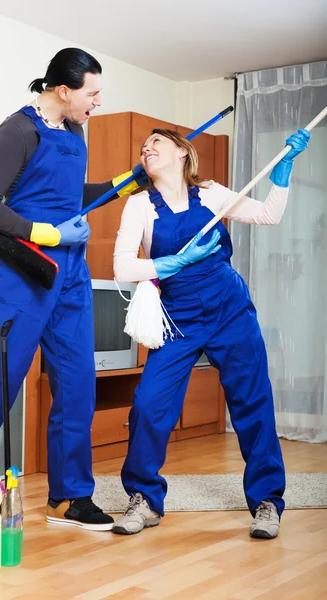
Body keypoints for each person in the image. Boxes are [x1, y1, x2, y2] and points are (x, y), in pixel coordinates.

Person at [0, 48, 146, 531]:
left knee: (76, 383)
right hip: (24, 272)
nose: (97, 102)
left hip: (70, 276)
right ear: (63, 90)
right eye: (91, 93)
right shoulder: (18, 131)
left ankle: (70, 497)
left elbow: (70, 198)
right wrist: (47, 234)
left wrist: (120, 184)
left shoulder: (74, 132)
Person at [112, 127, 310, 538]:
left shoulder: (213, 193)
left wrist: (284, 172)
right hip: (177, 317)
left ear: (182, 153)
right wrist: (169, 265)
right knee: (149, 405)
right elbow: (123, 268)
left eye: (157, 143)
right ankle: (144, 499)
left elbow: (268, 215)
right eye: (144, 147)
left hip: (229, 310)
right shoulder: (139, 206)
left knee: (252, 402)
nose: (147, 149)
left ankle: (267, 502)